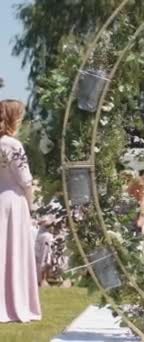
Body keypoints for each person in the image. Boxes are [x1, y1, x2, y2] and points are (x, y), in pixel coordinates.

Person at [0, 99, 42, 322]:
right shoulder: (13, 145)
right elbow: (25, 180)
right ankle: (14, 303)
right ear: (13, 118)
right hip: (13, 202)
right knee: (14, 251)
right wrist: (32, 204)